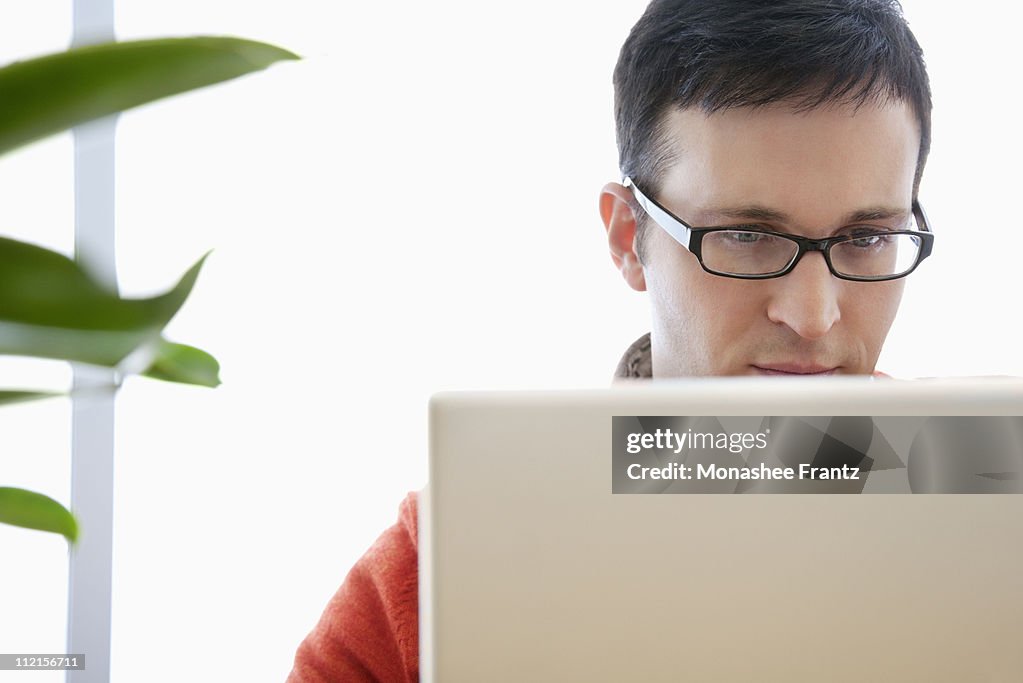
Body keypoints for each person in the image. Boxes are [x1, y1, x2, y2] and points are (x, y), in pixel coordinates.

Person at [288, 0, 933, 680]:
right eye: (746, 236)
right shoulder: (445, 565)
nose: (813, 316)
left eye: (866, 239)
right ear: (629, 237)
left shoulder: (987, 510)